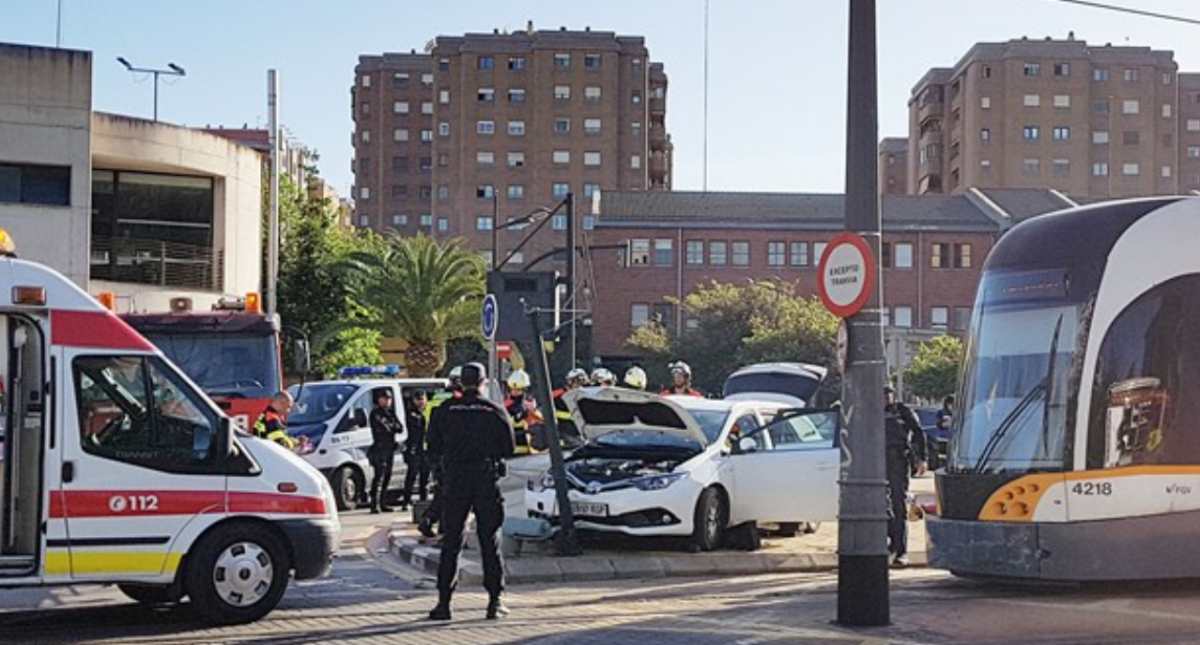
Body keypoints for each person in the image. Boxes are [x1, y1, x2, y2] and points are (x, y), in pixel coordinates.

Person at [426, 363, 514, 621]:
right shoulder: (493, 410)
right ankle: (494, 602)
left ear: (460, 383)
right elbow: (508, 447)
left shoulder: (445, 410)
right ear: (483, 382)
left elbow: (432, 445)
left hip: (455, 480)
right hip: (485, 480)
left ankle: (443, 604)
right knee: (489, 541)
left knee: (451, 541)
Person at [884, 385, 927, 568]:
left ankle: (900, 550)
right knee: (879, 506)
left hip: (898, 460)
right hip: (876, 462)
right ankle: (889, 544)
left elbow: (918, 432)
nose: (885, 398)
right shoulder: (869, 411)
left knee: (898, 504)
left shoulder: (902, 411)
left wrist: (921, 459)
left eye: (888, 395)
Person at [419, 367, 464, 538]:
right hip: (448, 453)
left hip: (433, 451)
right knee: (450, 493)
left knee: (443, 490)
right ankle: (441, 527)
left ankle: (431, 521)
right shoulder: (454, 402)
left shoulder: (436, 399)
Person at [368, 388, 405, 514]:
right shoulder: (375, 413)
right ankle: (375, 504)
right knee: (379, 476)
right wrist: (391, 427)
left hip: (389, 448)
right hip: (380, 448)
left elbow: (399, 428)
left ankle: (383, 503)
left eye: (389, 399)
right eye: (385, 399)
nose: (387, 401)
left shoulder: (390, 413)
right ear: (379, 400)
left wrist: (392, 427)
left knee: (387, 475)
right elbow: (384, 429)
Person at [400, 390, 430, 511]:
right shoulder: (411, 413)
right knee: (411, 476)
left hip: (426, 449)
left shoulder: (429, 411)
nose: (420, 402)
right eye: (418, 399)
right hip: (414, 449)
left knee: (425, 477)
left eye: (422, 399)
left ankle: (424, 500)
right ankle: (406, 501)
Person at [504, 369, 544, 455]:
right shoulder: (505, 406)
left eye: (518, 390)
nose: (515, 392)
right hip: (512, 453)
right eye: (513, 389)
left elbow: (540, 422)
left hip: (531, 452)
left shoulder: (529, 406)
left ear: (525, 390)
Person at [552, 368, 588, 445]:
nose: (580, 385)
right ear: (570, 382)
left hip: (581, 431)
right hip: (564, 430)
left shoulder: (586, 394)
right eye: (577, 382)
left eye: (582, 382)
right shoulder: (558, 395)